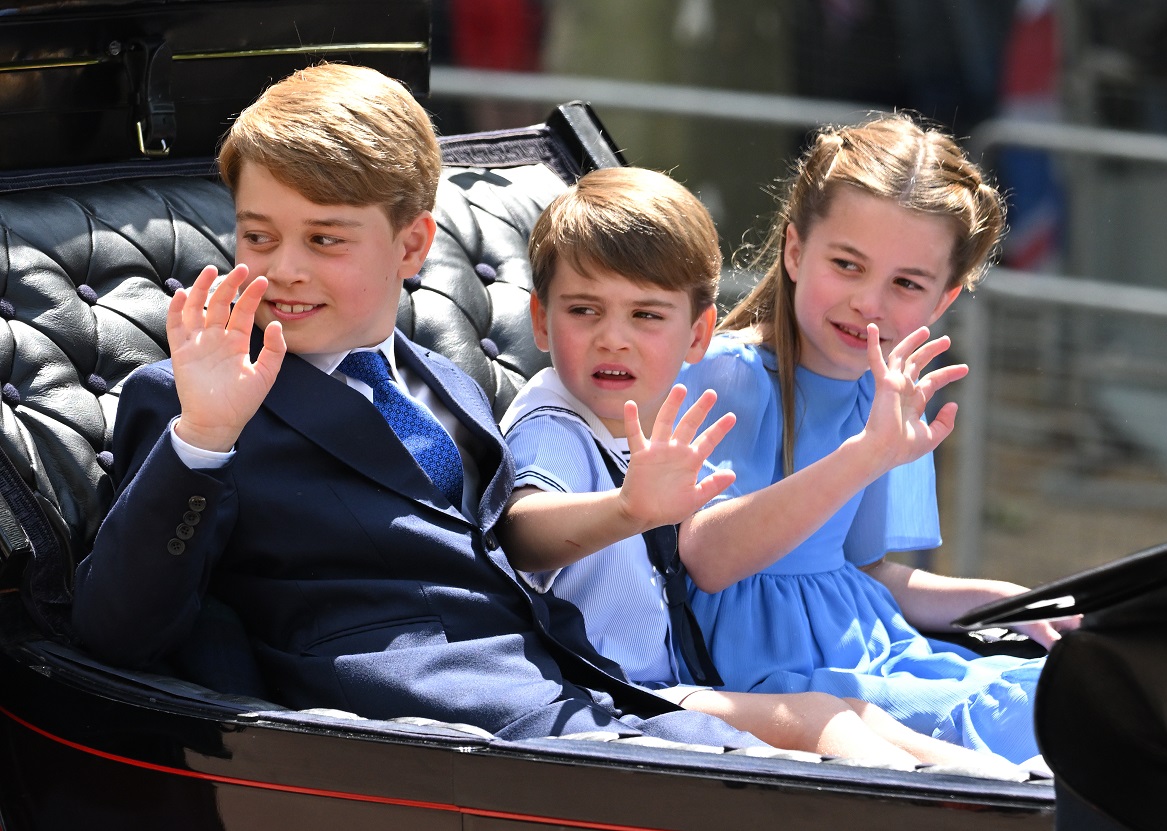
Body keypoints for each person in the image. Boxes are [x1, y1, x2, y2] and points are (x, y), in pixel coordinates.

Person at [68, 62, 763, 749]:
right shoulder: (193, 400)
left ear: (413, 245)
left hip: (573, 689)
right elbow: (116, 631)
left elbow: (500, 552)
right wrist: (204, 436)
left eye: (324, 238)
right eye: (258, 236)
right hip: (423, 730)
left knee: (816, 763)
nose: (283, 267)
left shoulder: (447, 381)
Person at [497, 165, 1020, 772]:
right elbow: (521, 532)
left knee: (869, 719)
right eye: (585, 310)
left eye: (644, 316)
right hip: (618, 694)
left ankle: (1008, 789)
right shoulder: (561, 420)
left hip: (678, 678)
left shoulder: (881, 398)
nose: (614, 338)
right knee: (827, 716)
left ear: (695, 333)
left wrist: (1006, 601)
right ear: (540, 319)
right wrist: (626, 509)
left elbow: (866, 571)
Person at [674, 112, 1077, 766]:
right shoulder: (728, 375)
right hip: (786, 681)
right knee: (1041, 718)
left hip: (881, 651)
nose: (869, 302)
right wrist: (865, 454)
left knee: (1059, 688)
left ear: (942, 301)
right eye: (847, 264)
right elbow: (708, 559)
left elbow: (870, 574)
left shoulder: (891, 390)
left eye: (906, 284)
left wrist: (1001, 599)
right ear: (796, 251)